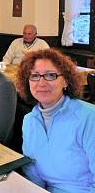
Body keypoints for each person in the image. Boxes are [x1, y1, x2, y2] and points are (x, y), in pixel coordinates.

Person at [17, 49, 95, 192]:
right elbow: (32, 172)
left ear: (65, 80)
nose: (41, 82)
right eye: (34, 76)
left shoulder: (89, 117)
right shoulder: (29, 121)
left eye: (50, 75)